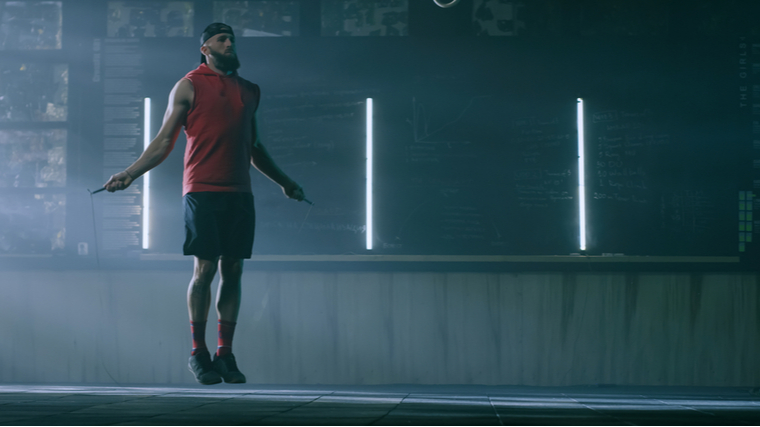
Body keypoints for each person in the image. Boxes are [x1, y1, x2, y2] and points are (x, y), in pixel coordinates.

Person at [104, 23, 305, 385]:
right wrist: (130, 173)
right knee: (206, 270)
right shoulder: (189, 85)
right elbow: (164, 141)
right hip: (201, 190)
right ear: (205, 49)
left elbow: (254, 147)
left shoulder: (250, 90)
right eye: (221, 40)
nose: (229, 44)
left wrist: (286, 182)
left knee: (235, 270)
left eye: (232, 40)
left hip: (239, 193)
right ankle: (199, 353)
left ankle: (225, 354)